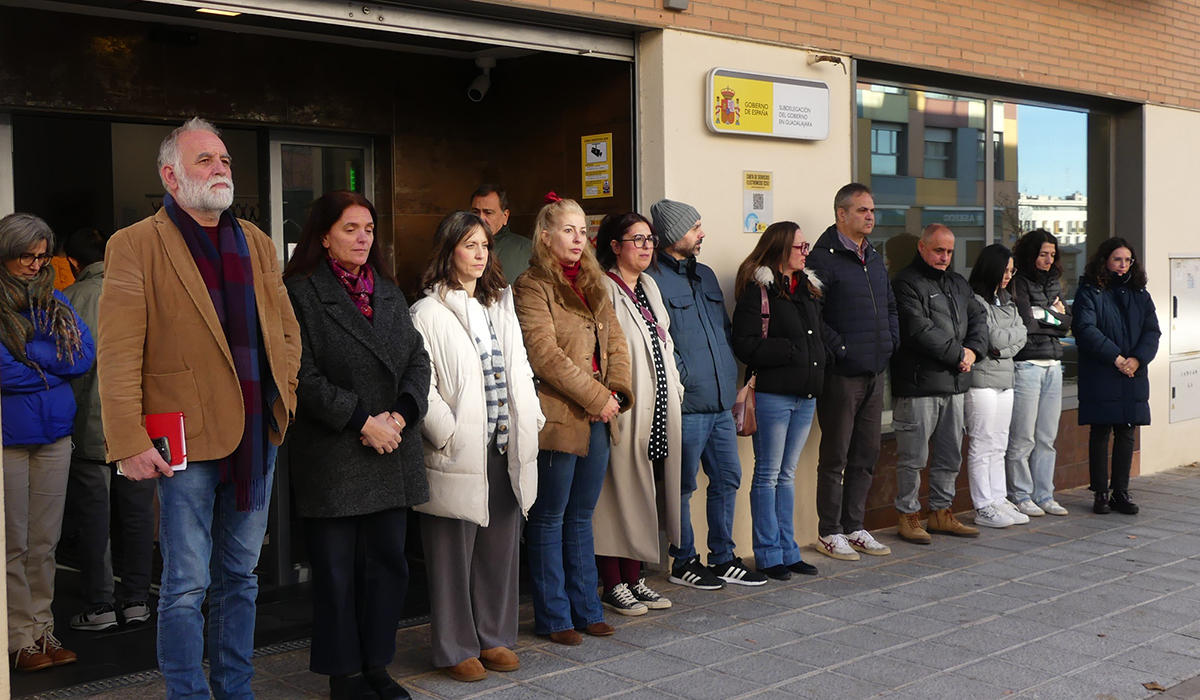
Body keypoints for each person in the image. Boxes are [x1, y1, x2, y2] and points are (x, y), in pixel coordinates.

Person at [97, 117, 301, 700]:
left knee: (241, 577)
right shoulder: (135, 243)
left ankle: (236, 689)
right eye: (205, 160)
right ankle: (187, 694)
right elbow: (117, 351)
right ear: (171, 175)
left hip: (256, 435)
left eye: (225, 160)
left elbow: (286, 329)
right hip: (182, 441)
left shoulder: (256, 242)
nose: (220, 169)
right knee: (186, 584)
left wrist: (284, 388)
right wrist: (128, 439)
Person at [284, 191, 430, 700]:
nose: (363, 237)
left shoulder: (387, 290)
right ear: (324, 235)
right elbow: (300, 376)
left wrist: (401, 415)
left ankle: (376, 665)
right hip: (336, 453)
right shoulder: (300, 292)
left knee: (388, 566)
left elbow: (418, 360)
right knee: (336, 572)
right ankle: (343, 675)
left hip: (392, 446)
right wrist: (362, 421)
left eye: (368, 228)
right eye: (350, 228)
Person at [410, 212, 542, 682]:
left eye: (485, 245)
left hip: (505, 444)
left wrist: (533, 419)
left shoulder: (498, 304)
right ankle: (454, 647)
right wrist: (445, 432)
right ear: (448, 251)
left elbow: (520, 368)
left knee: (500, 548)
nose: (481, 253)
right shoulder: (426, 312)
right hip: (459, 448)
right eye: (470, 245)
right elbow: (420, 385)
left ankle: (495, 636)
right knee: (451, 554)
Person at [512, 194, 633, 646]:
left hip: (600, 415)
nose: (578, 239)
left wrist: (615, 395)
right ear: (546, 237)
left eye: (583, 231)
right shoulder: (531, 285)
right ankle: (554, 616)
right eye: (568, 230)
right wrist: (597, 397)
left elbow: (616, 343)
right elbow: (543, 355)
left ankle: (587, 609)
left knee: (582, 516)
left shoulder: (595, 282)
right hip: (559, 418)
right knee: (549, 517)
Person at [647, 199, 766, 589]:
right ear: (672, 235)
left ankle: (723, 557)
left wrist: (731, 378)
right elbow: (659, 344)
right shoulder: (651, 280)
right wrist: (684, 382)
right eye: (694, 227)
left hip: (720, 404)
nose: (702, 234)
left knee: (728, 478)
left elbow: (724, 331)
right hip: (687, 406)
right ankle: (683, 561)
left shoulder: (707, 275)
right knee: (681, 487)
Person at [1, 213, 94, 672]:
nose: (36, 265)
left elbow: (83, 355)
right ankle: (18, 639)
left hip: (55, 435)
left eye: (42, 256)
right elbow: (2, 372)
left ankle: (41, 631)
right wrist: (52, 366)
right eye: (26, 256)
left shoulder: (54, 299)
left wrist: (31, 356)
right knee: (12, 544)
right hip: (9, 439)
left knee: (44, 543)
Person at [63, 227, 156, 633]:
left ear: (72, 262)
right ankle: (136, 600)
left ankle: (100, 605)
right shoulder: (141, 290)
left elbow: (70, 368)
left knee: (93, 519)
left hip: (89, 427)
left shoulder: (69, 300)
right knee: (138, 516)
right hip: (138, 426)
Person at [593, 212, 681, 615]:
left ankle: (635, 578)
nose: (646, 247)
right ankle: (613, 583)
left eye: (650, 239)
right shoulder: (603, 287)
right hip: (624, 409)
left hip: (658, 409)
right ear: (615, 246)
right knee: (617, 499)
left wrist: (675, 387)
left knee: (644, 494)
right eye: (637, 239)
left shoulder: (649, 286)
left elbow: (665, 343)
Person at [806, 183, 897, 561]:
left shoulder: (873, 256)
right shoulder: (821, 258)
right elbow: (813, 315)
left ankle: (854, 527)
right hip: (842, 375)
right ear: (841, 214)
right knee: (835, 457)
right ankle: (829, 532)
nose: (870, 216)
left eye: (872, 210)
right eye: (862, 210)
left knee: (866, 453)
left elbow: (889, 305)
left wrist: (890, 341)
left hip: (875, 371)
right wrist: (841, 349)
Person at [731, 222, 824, 580]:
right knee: (768, 475)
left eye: (806, 246)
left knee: (787, 475)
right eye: (800, 247)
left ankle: (789, 550)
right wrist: (791, 351)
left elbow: (817, 336)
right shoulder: (758, 290)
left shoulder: (808, 288)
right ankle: (768, 554)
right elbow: (744, 344)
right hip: (773, 395)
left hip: (805, 395)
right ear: (781, 249)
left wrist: (824, 358)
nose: (805, 252)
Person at [891, 224, 988, 544]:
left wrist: (973, 352)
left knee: (949, 456)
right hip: (918, 386)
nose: (944, 257)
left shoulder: (958, 282)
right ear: (921, 247)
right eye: (938, 250)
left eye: (949, 251)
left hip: (955, 384)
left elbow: (979, 319)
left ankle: (941, 512)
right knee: (913, 458)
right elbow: (918, 330)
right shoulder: (905, 282)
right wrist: (959, 354)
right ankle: (908, 515)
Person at [1073, 237, 1160, 516]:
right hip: (1102, 370)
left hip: (1132, 372)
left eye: (1127, 260)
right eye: (1117, 260)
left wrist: (1137, 359)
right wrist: (1117, 358)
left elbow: (1152, 331)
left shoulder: (1140, 293)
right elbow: (1085, 329)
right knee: (1101, 430)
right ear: (1105, 261)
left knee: (1126, 431)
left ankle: (1121, 491)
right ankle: (1100, 493)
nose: (1122, 265)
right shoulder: (1090, 291)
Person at [1005, 229, 1073, 518]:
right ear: (1031, 254)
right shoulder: (1018, 280)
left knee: (1046, 437)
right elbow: (1026, 323)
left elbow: (1067, 323)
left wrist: (1042, 313)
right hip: (1027, 365)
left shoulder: (1054, 282)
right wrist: (1052, 314)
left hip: (1053, 366)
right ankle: (1020, 496)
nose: (1048, 260)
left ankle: (1044, 495)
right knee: (1022, 437)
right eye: (1043, 254)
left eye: (1052, 255)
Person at [964, 245, 1027, 529]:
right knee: (982, 443)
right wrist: (1005, 343)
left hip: (1005, 381)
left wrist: (1004, 346)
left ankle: (999, 498)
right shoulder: (976, 301)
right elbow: (993, 339)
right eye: (1004, 270)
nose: (1008, 276)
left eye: (1012, 271)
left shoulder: (1008, 302)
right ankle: (983, 505)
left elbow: (1022, 335)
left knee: (999, 444)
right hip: (982, 382)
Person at [471, 184, 531, 280]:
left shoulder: (527, 250)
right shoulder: (458, 248)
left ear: (505, 216)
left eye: (488, 213)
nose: (480, 218)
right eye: (475, 212)